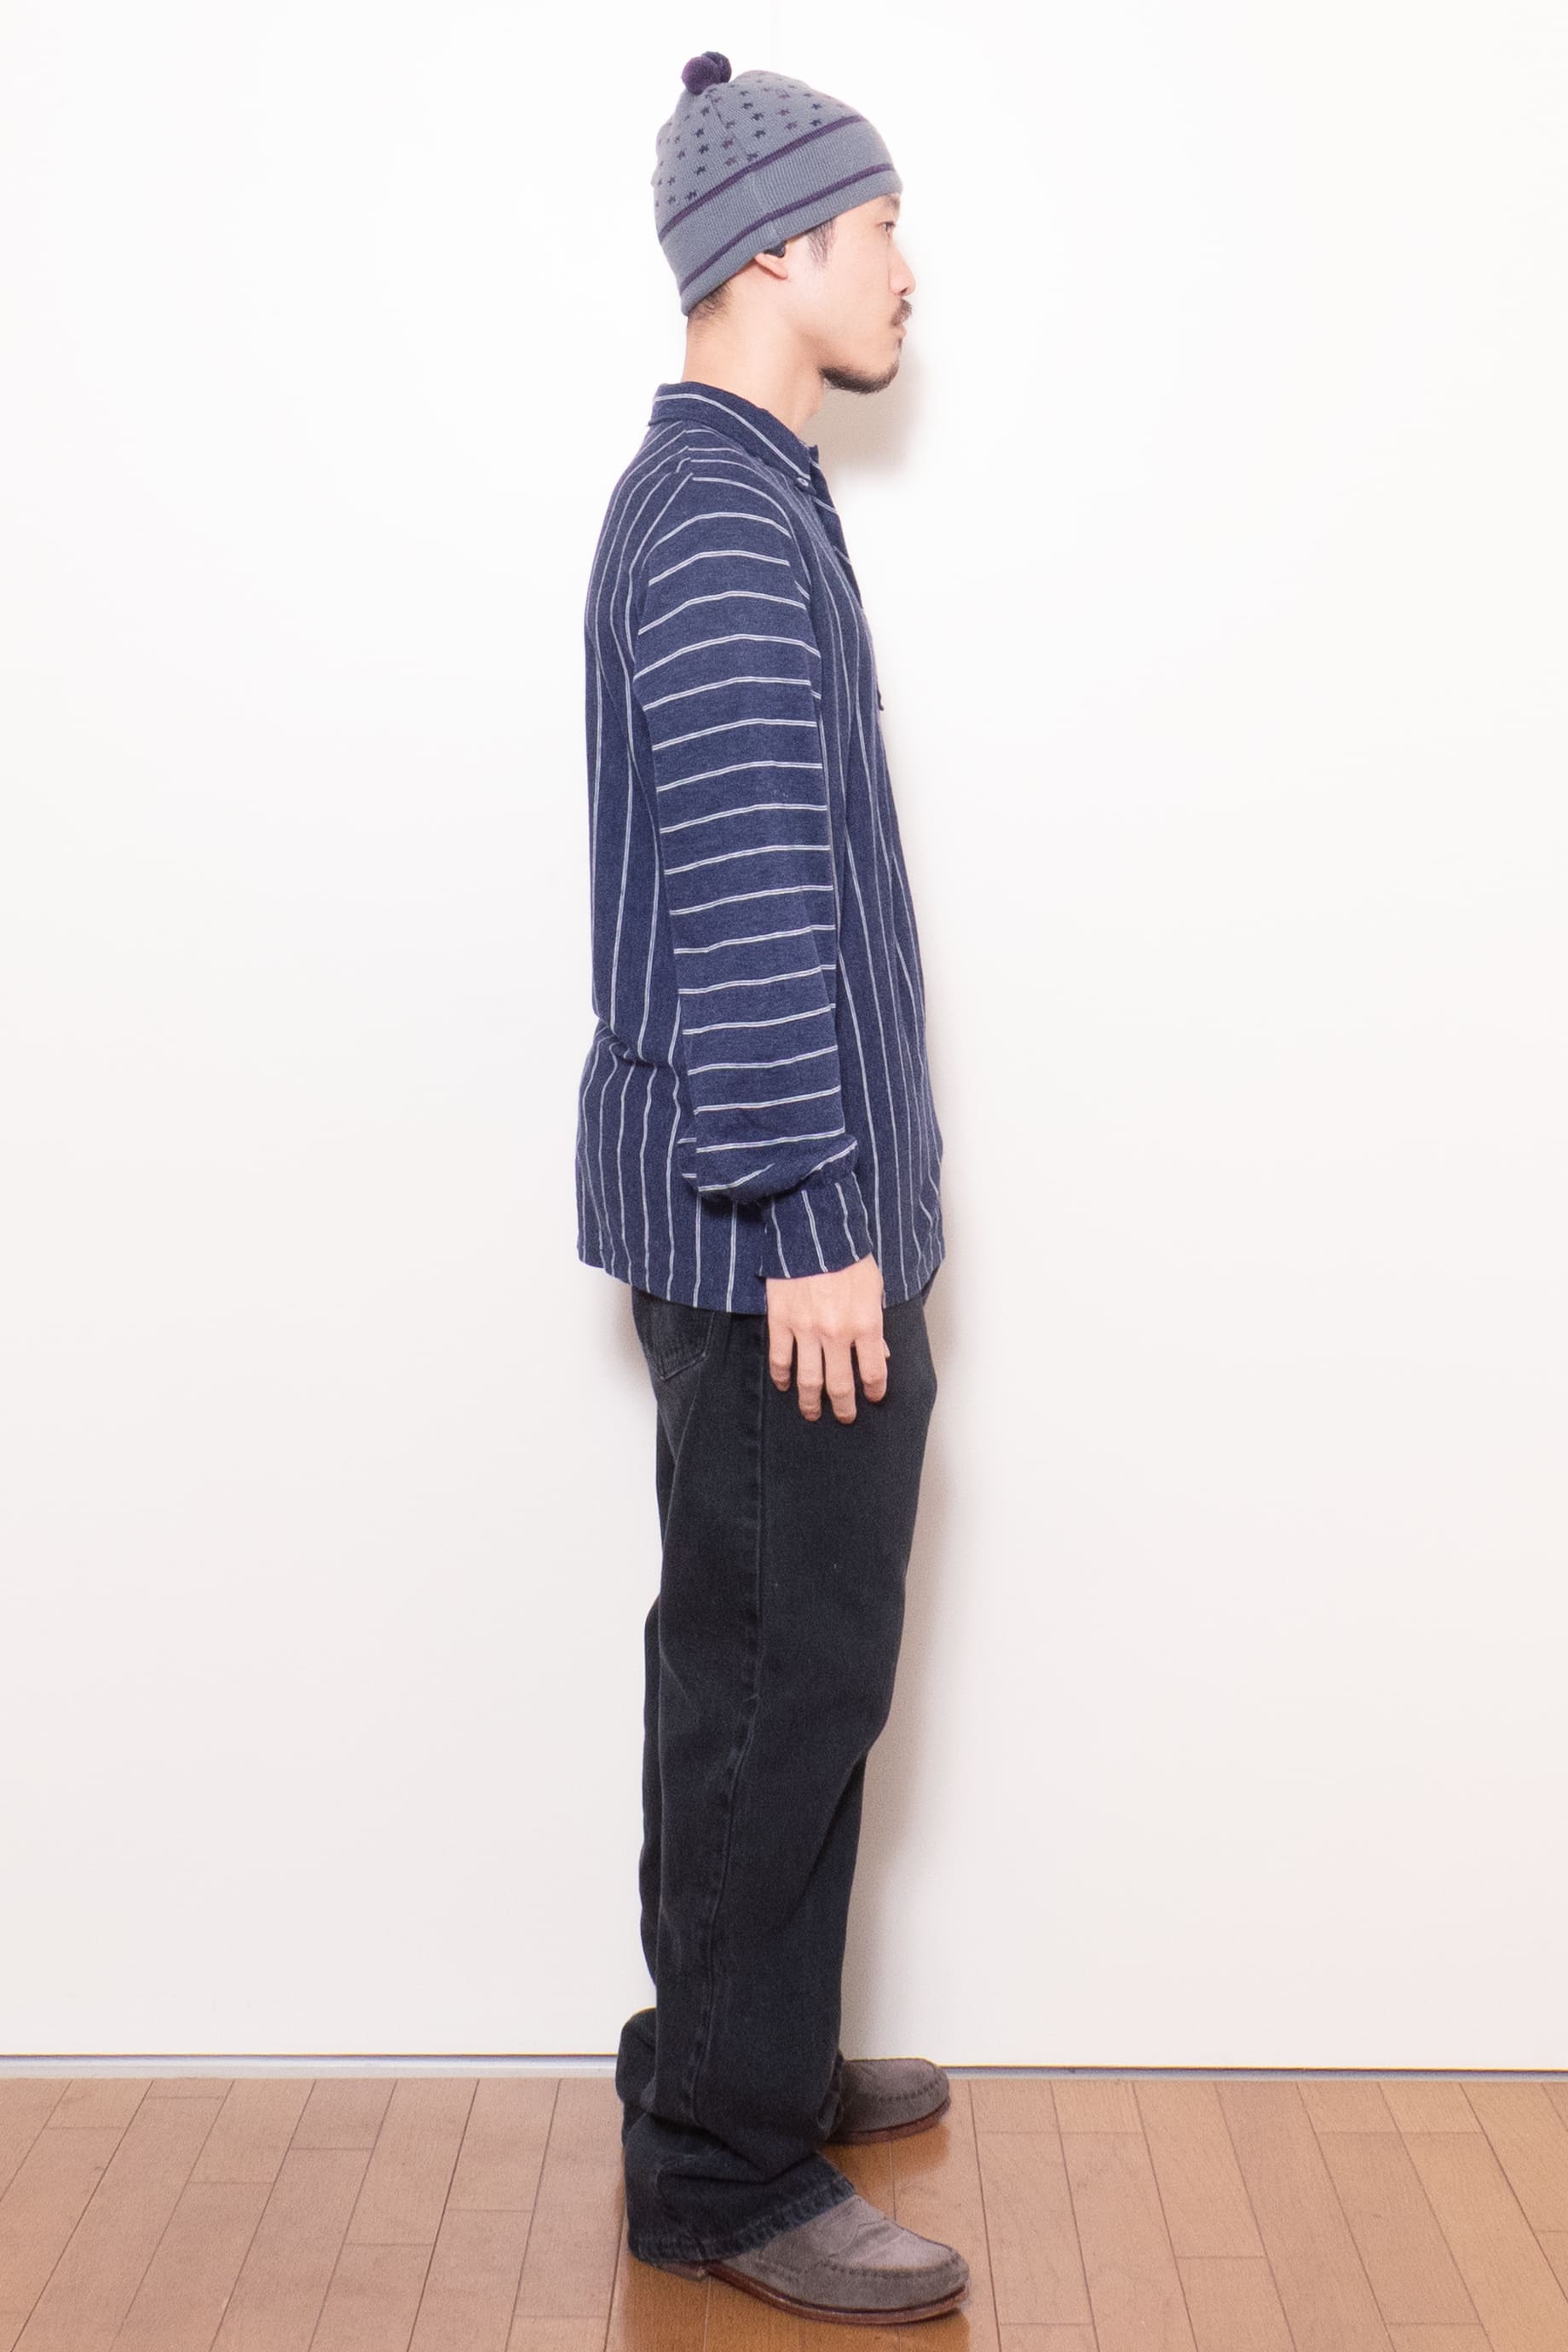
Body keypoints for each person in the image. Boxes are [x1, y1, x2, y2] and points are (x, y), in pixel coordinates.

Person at [572, 50, 965, 2325]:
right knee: (772, 1686)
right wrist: (821, 1224)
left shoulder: (744, 491)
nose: (909, 266)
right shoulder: (721, 518)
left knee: (768, 1672)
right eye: (881, 224)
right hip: (773, 1241)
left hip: (780, 1228)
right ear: (776, 250)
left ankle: (744, 2063)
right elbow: (742, 906)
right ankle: (722, 2170)